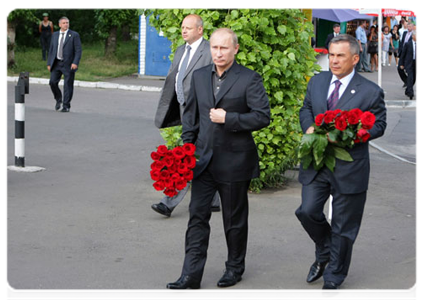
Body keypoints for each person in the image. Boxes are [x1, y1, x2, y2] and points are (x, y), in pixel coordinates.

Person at [166, 28, 270, 291]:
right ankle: (190, 275)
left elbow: (262, 117)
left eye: (224, 48)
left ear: (235, 49)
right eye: (215, 48)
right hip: (203, 162)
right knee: (197, 218)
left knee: (234, 220)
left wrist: (230, 119)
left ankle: (234, 268)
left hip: (235, 163)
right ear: (209, 48)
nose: (219, 53)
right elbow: (191, 118)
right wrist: (186, 152)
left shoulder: (249, 78)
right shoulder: (200, 77)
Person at [296, 34, 387, 298]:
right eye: (331, 55)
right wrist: (308, 126)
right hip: (317, 161)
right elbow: (306, 109)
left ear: (355, 59)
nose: (333, 61)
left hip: (350, 167)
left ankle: (334, 276)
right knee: (306, 211)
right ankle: (325, 249)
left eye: (340, 56)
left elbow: (378, 124)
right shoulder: (317, 81)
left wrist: (357, 133)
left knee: (344, 227)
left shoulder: (371, 91)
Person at [152, 14, 221, 217]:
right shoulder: (181, 50)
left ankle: (169, 202)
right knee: (205, 155)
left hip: (203, 113)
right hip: (185, 111)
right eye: (182, 27)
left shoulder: (209, 51)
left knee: (188, 156)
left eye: (188, 28)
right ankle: (214, 200)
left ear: (200, 30)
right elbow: (175, 78)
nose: (183, 31)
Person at [47, 17, 82, 113]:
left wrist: (75, 62)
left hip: (69, 64)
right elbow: (51, 50)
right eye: (64, 23)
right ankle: (58, 99)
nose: (66, 24)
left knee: (68, 85)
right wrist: (49, 63)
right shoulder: (55, 35)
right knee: (52, 82)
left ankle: (66, 105)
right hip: (56, 63)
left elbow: (78, 50)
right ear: (59, 25)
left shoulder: (74, 35)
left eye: (67, 22)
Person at [399, 31, 420, 100]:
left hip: (416, 64)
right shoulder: (408, 44)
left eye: (419, 36)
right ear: (413, 36)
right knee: (410, 77)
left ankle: (408, 90)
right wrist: (401, 63)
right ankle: (411, 93)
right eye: (417, 36)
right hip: (409, 63)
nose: (418, 37)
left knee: (413, 79)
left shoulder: (420, 44)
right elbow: (403, 54)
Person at [397, 22, 414, 87]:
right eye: (408, 26)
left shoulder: (414, 34)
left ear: (412, 27)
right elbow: (401, 42)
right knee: (399, 68)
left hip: (409, 53)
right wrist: (400, 50)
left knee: (408, 69)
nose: (408, 27)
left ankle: (409, 82)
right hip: (403, 52)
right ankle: (406, 80)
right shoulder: (404, 33)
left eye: (410, 26)